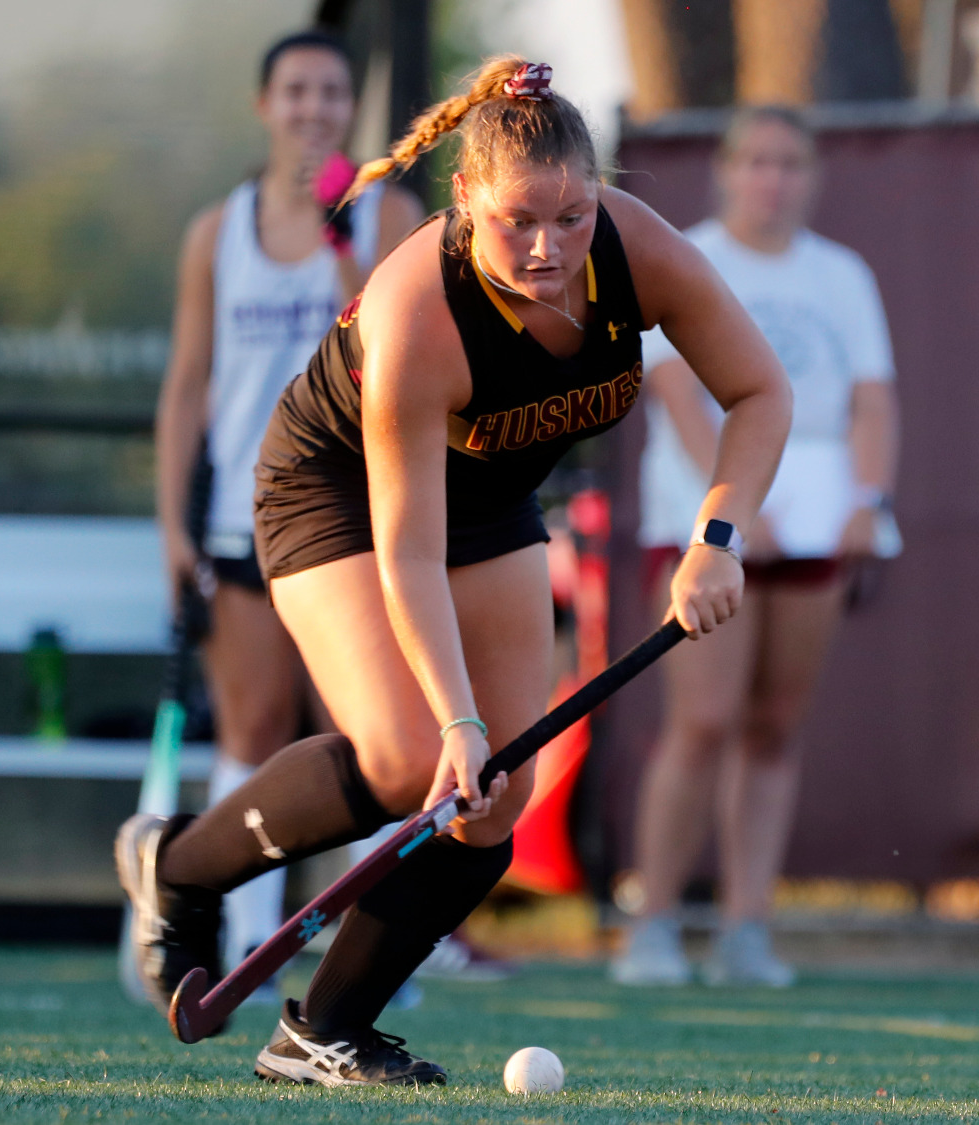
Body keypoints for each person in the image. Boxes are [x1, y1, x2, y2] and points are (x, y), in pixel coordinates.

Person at [119, 56, 792, 1086]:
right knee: (407, 760)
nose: (547, 248)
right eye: (519, 221)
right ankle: (175, 870)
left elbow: (758, 391)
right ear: (465, 198)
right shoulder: (416, 314)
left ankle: (324, 1030)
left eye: (569, 219)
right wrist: (456, 718)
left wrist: (714, 538)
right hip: (337, 492)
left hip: (484, 495)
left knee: (497, 798)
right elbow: (409, 550)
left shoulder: (632, 251)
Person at [152, 29, 426, 987]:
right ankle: (232, 944)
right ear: (265, 106)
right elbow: (189, 385)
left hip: (361, 515)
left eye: (333, 94)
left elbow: (391, 339)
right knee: (254, 726)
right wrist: (171, 527)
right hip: (242, 515)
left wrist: (341, 232)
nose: (314, 110)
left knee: (380, 740)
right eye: (297, 92)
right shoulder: (214, 232)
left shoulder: (390, 214)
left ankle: (370, 955)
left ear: (352, 111)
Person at [612, 105, 900, 989]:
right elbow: (677, 393)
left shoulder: (843, 275)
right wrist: (734, 512)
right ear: (728, 171)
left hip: (814, 528)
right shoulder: (687, 253)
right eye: (757, 161)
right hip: (705, 526)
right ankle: (653, 924)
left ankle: (747, 929)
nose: (773, 179)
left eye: (790, 163)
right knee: (701, 721)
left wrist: (866, 500)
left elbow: (872, 400)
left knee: (775, 727)